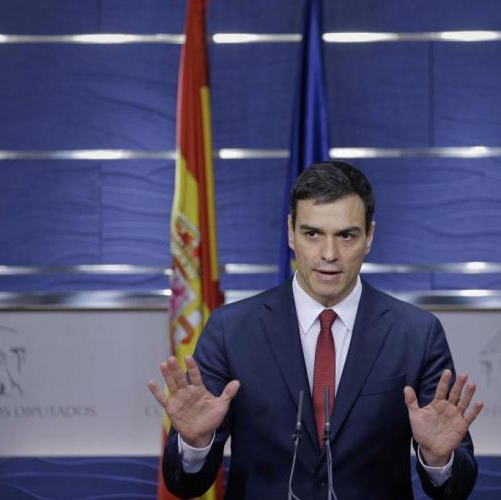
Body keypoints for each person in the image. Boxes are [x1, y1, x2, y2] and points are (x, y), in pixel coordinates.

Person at [148, 161, 483, 499]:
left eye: (346, 235)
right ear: (291, 232)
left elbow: (456, 486)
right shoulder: (230, 330)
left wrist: (438, 459)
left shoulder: (417, 334)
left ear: (369, 237)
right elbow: (185, 484)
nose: (329, 254)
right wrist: (195, 444)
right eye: (312, 234)